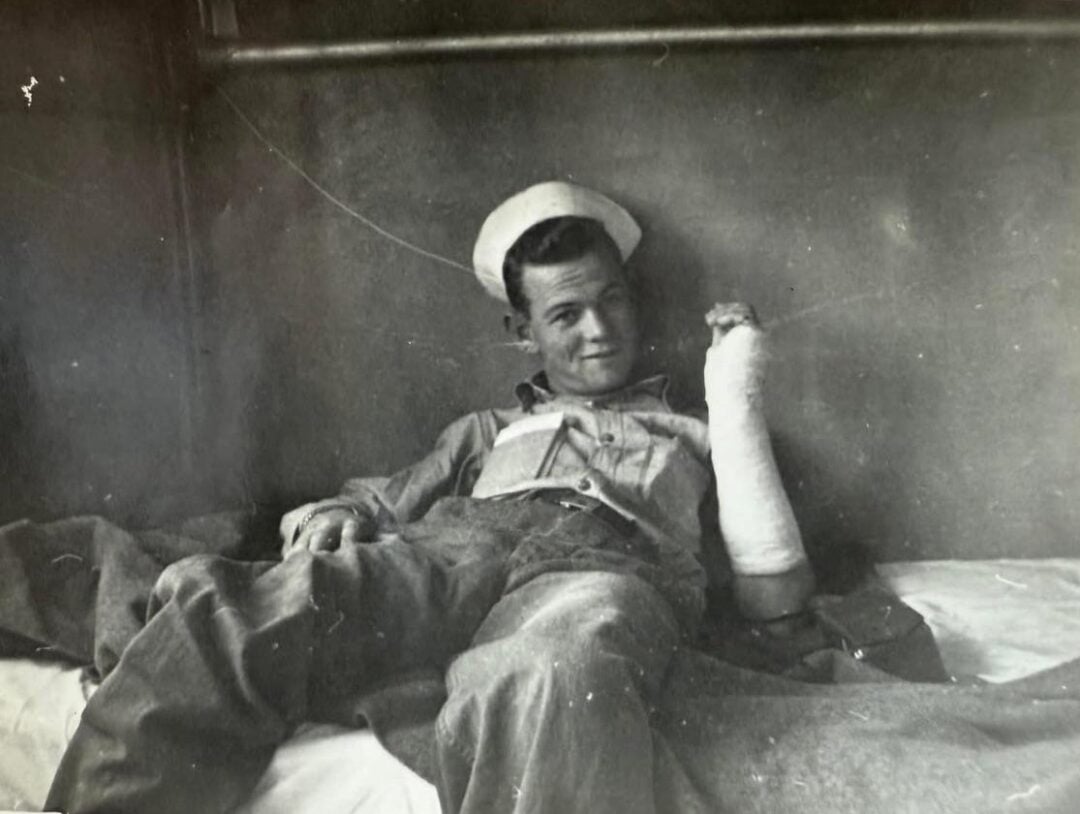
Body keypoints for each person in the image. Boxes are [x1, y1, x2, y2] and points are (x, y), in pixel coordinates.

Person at [44, 181, 813, 814]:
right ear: (523, 333)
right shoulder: (484, 431)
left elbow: (774, 593)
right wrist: (337, 517)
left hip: (597, 569)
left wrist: (735, 389)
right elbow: (377, 504)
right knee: (225, 612)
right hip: (453, 548)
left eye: (612, 300)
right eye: (566, 314)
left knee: (545, 677)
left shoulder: (694, 431)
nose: (600, 329)